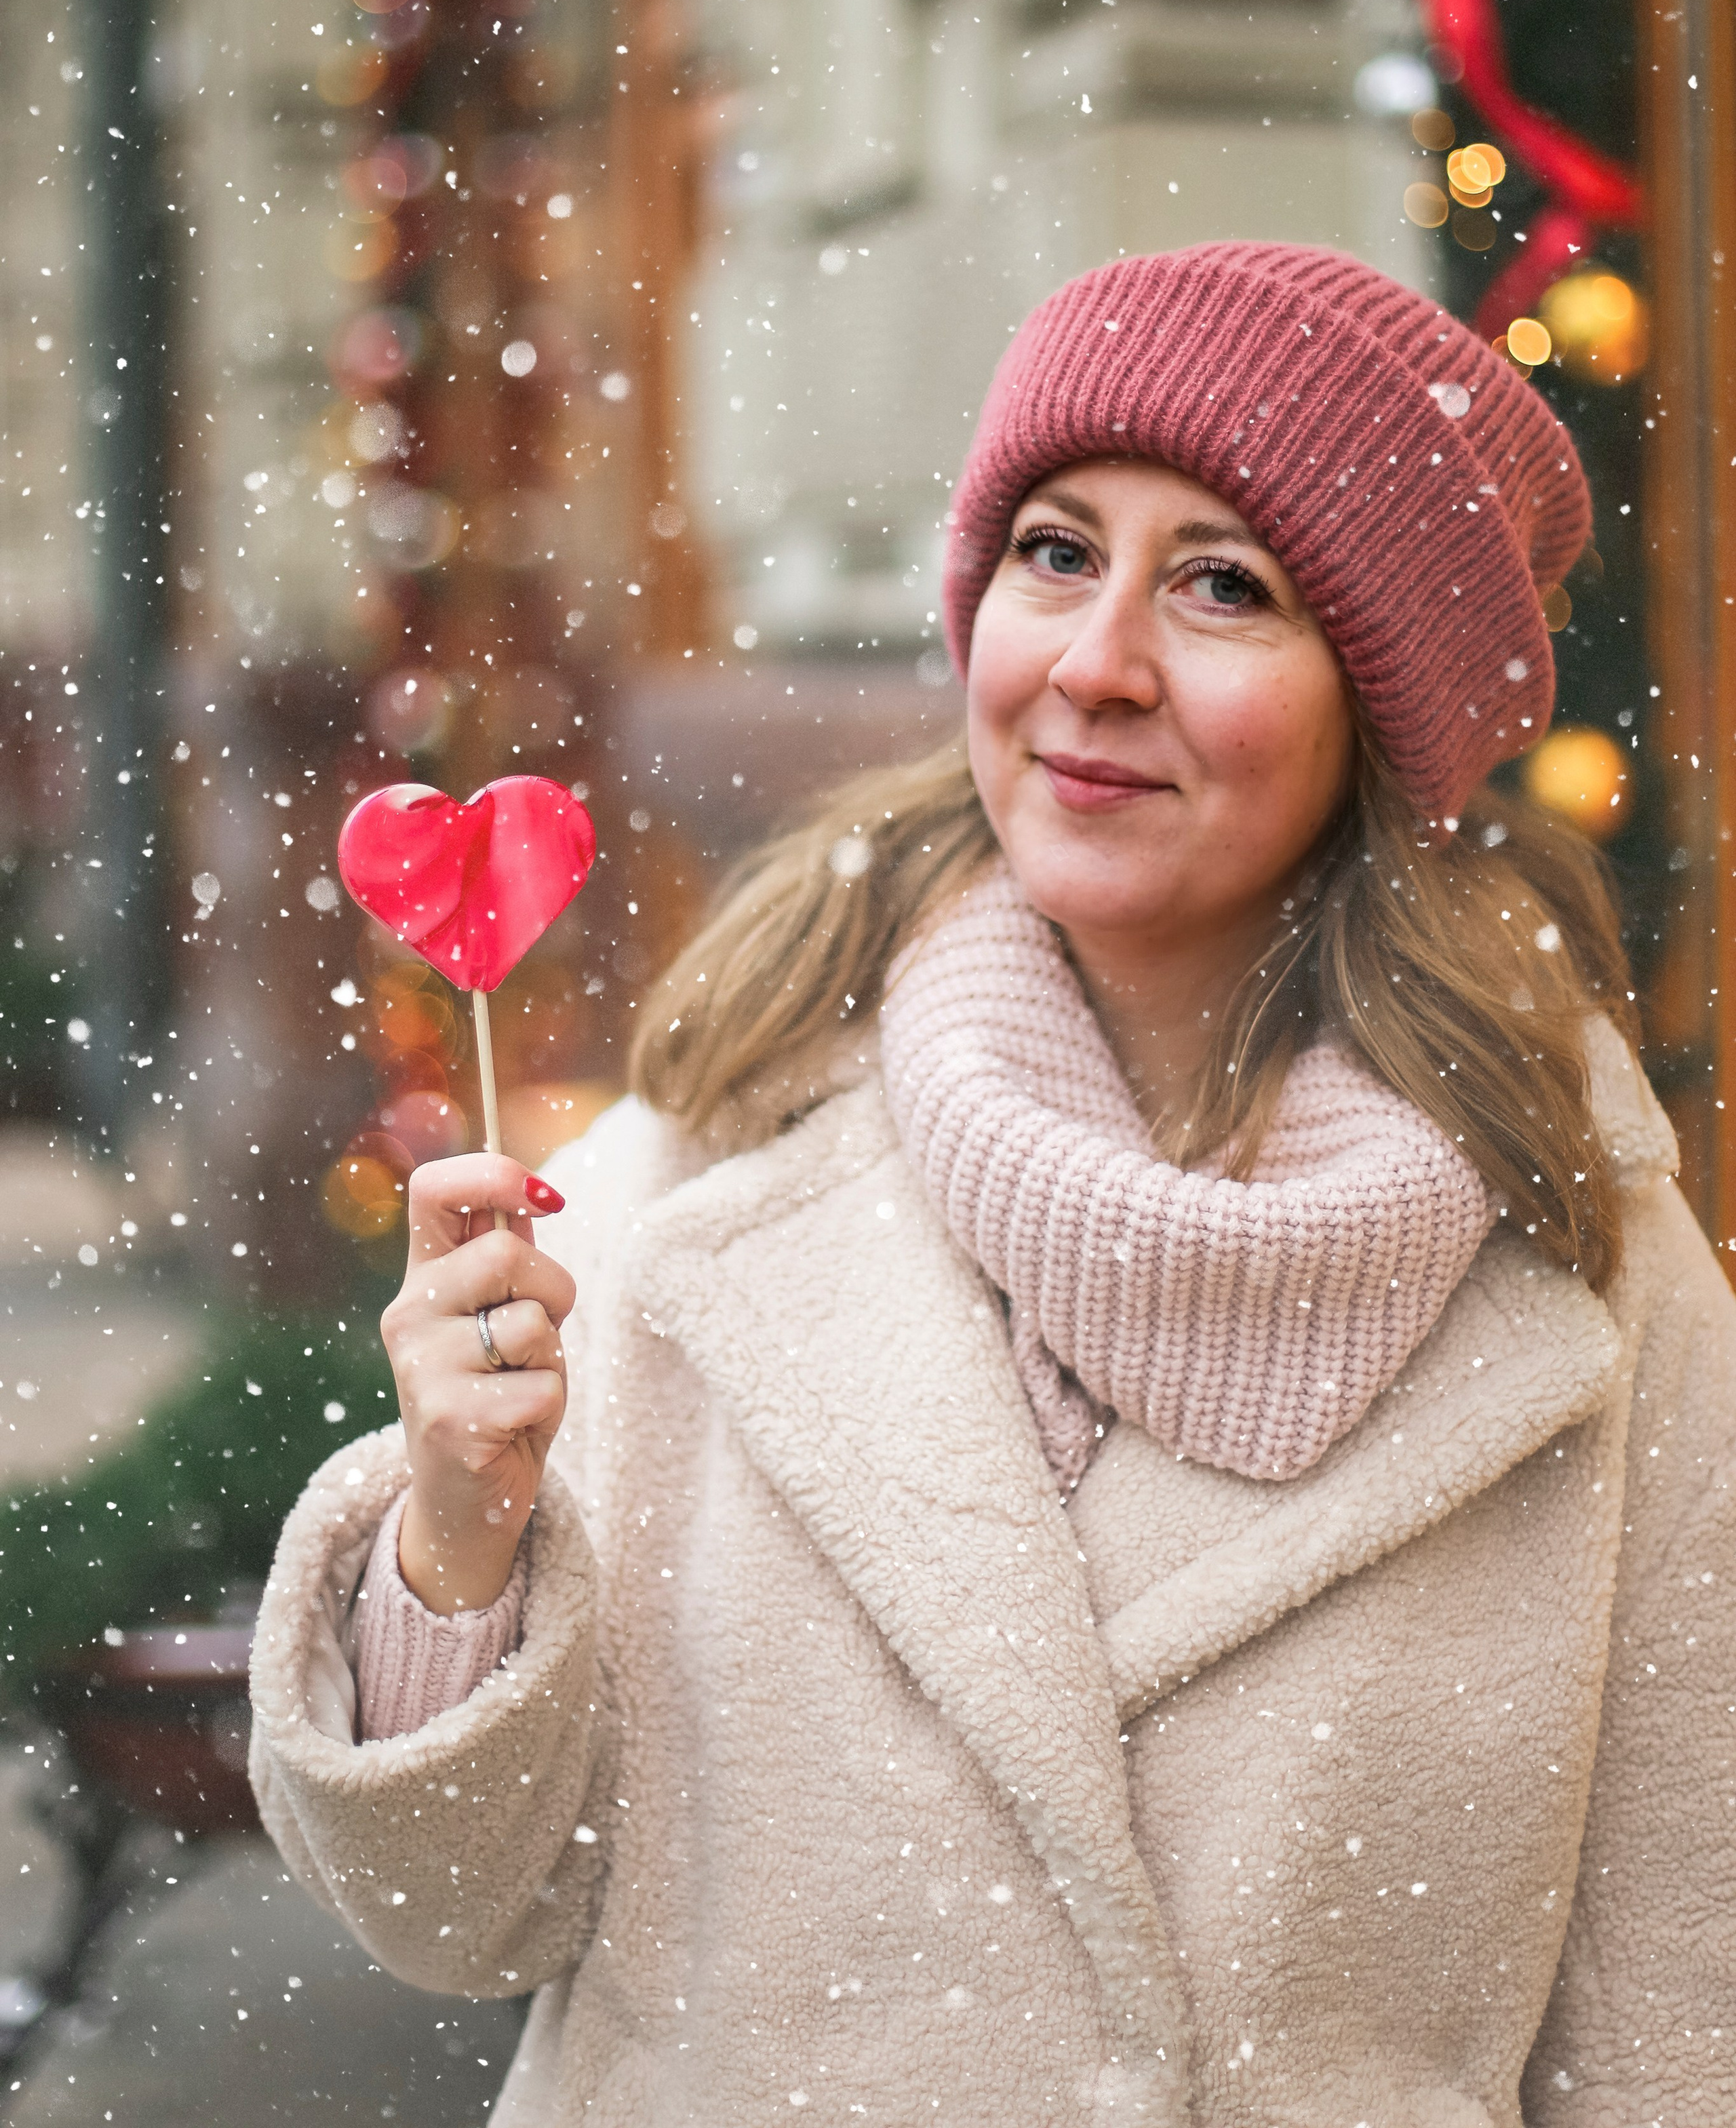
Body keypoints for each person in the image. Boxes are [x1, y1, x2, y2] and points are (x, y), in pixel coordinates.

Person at [250, 242, 1736, 2127]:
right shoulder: (709, 1159)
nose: (1098, 664)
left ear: (1388, 704)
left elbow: (1685, 2017)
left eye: (1223, 584)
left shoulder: (1583, 1265)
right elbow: (461, 1920)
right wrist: (456, 1543)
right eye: (1055, 550)